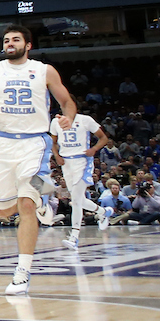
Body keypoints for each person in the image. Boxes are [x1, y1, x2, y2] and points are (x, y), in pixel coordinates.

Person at [0, 24, 76, 295]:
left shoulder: (44, 70)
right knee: (3, 212)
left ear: (28, 45)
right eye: (6, 40)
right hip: (2, 143)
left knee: (25, 205)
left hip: (34, 142)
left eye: (15, 39)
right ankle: (45, 193)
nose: (9, 42)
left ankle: (22, 272)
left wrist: (68, 116)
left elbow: (66, 100)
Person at [50, 107, 114, 249]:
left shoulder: (85, 120)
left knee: (76, 201)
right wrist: (56, 155)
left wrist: (94, 149)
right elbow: (53, 142)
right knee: (78, 200)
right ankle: (104, 212)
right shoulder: (55, 122)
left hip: (82, 161)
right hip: (66, 163)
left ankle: (74, 236)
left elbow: (104, 138)